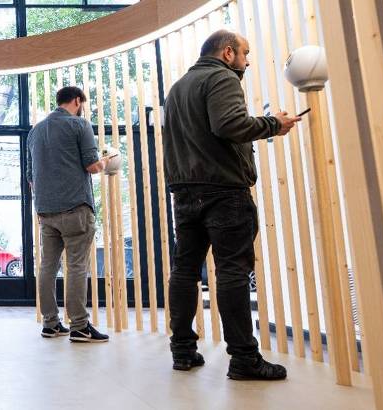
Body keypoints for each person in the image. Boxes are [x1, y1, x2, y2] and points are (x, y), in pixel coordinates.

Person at [163, 30, 299, 379]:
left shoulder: (178, 88)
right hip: (224, 191)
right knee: (232, 272)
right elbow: (229, 124)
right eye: (245, 53)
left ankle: (182, 351)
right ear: (227, 53)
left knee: (184, 271)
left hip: (186, 192)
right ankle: (244, 359)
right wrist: (275, 124)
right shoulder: (222, 78)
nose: (248, 61)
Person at [27, 86, 110, 343]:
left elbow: (31, 177)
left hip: (45, 210)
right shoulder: (79, 125)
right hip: (75, 207)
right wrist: (107, 161)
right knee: (76, 266)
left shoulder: (35, 132)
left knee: (48, 267)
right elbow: (91, 165)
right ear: (77, 101)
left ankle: (50, 324)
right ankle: (79, 326)